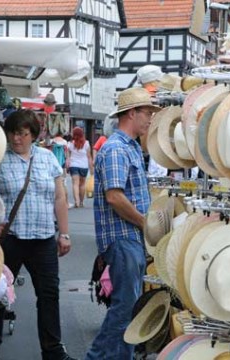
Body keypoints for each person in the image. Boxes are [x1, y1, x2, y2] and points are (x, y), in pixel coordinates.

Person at [0, 109, 75, 360]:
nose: (16, 139)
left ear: (33, 135)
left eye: (22, 134)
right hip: (11, 238)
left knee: (49, 295)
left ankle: (52, 350)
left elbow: (60, 197)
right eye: (12, 133)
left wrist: (65, 234)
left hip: (43, 238)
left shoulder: (48, 158)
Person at [85, 87, 161, 360]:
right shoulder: (118, 149)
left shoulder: (127, 148)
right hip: (123, 239)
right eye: (148, 113)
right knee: (124, 309)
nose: (151, 119)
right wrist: (144, 223)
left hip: (127, 239)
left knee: (126, 309)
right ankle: (96, 357)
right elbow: (115, 197)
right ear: (132, 113)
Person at [67, 127, 93, 208]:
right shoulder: (86, 143)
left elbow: (68, 156)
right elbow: (89, 156)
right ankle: (81, 202)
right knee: (82, 184)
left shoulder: (70, 143)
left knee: (75, 184)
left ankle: (77, 202)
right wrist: (91, 168)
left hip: (73, 165)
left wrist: (68, 164)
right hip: (84, 166)